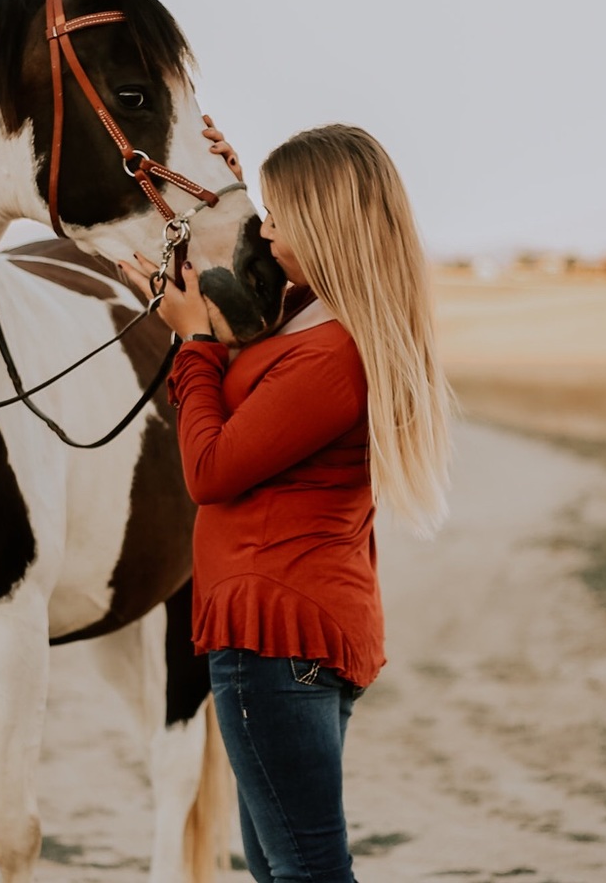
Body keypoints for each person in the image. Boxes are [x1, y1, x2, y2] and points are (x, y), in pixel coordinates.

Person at [120, 118, 451, 883]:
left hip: (275, 637)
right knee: (284, 870)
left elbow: (208, 469)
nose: (266, 231)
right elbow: (252, 290)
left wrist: (194, 345)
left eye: (280, 215)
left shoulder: (332, 357)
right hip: (290, 632)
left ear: (324, 225)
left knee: (306, 872)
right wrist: (226, 184)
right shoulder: (314, 312)